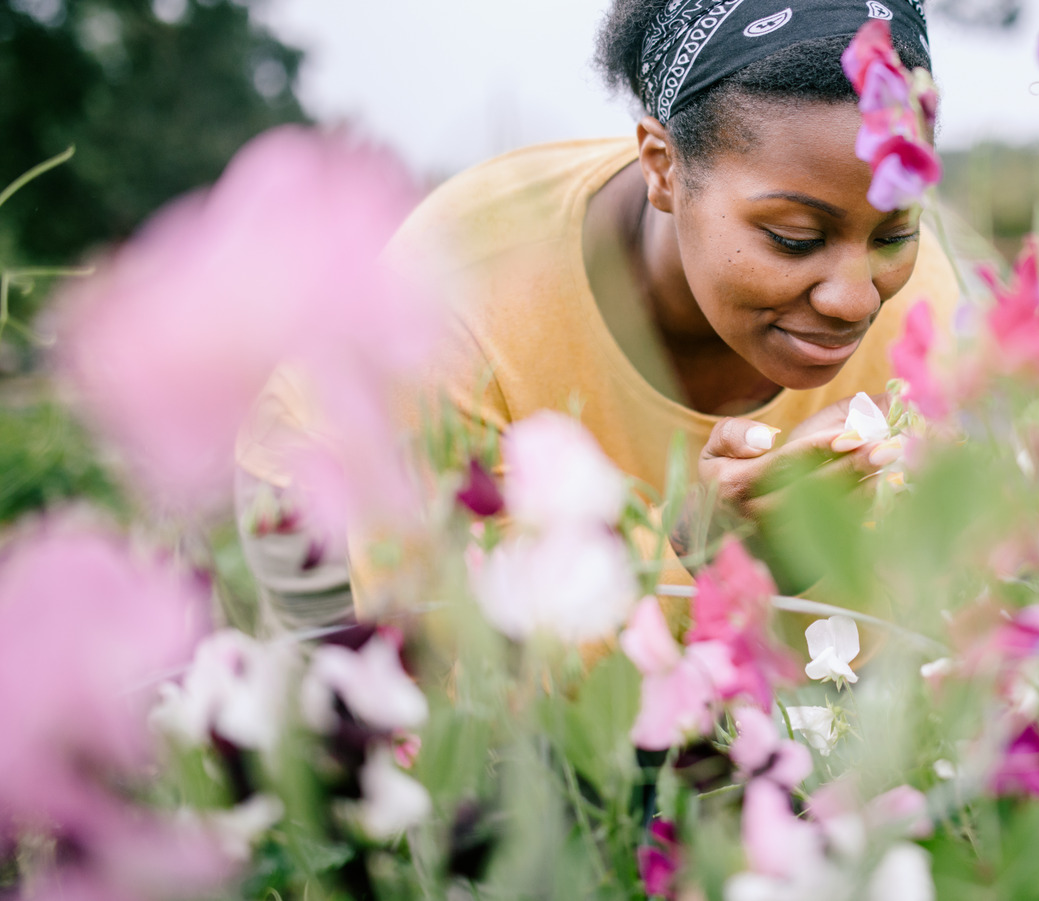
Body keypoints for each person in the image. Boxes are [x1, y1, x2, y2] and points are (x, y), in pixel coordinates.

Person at [236, 0, 961, 627]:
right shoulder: (455, 289)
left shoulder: (927, 314)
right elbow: (459, 646)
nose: (855, 298)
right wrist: (703, 563)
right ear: (662, 165)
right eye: (794, 238)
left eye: (894, 234)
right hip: (357, 514)